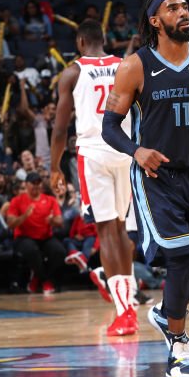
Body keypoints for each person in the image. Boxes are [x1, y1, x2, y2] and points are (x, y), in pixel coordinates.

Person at [102, 0, 189, 377]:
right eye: (172, 8)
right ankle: (179, 349)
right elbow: (109, 127)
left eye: (184, 5)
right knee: (179, 258)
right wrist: (136, 151)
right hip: (155, 177)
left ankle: (166, 314)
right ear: (154, 21)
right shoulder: (135, 66)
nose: (183, 12)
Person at [51, 20, 138, 336]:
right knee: (121, 230)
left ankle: (124, 310)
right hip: (125, 151)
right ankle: (129, 302)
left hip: (94, 152)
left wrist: (54, 167)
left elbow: (61, 129)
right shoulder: (126, 65)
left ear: (80, 41)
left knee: (106, 232)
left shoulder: (73, 72)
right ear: (103, 40)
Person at [6, 173, 65, 294]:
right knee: (31, 250)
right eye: (33, 183)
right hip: (24, 237)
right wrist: (24, 216)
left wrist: (52, 220)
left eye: (38, 183)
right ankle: (45, 280)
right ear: (26, 185)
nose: (36, 186)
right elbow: (11, 224)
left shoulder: (50, 200)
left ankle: (38, 277)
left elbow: (60, 222)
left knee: (59, 251)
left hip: (45, 237)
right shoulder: (17, 201)